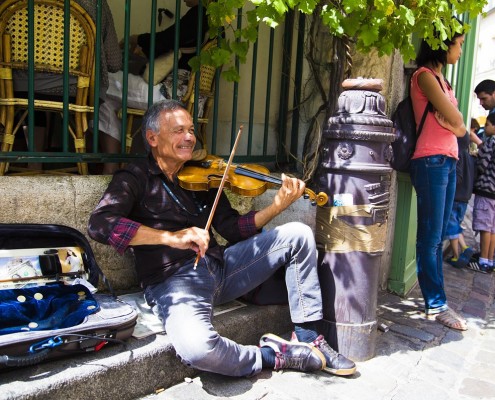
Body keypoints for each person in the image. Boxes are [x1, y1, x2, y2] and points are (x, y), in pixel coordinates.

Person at [88, 99, 357, 377]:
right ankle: (273, 356)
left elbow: (231, 228)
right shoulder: (134, 178)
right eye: (178, 131)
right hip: (174, 282)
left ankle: (308, 336)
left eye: (191, 130)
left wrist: (276, 207)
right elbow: (100, 224)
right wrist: (170, 237)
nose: (190, 137)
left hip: (222, 267)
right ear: (152, 138)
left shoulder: (203, 176)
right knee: (198, 349)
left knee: (297, 234)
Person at [9, 0, 121, 171]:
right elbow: (114, 63)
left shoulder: (13, 2)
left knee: (34, 94)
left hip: (19, 85)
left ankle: (34, 162)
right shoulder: (96, 4)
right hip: (75, 89)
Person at [98, 0, 209, 174]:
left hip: (170, 95)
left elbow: (167, 39)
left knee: (104, 80)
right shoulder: (215, 21)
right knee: (105, 99)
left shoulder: (200, 13)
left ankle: (111, 166)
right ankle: (111, 165)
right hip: (192, 99)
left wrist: (137, 39)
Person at [409, 22, 468, 331]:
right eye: (458, 44)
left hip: (447, 160)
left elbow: (461, 128)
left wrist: (454, 124)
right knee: (430, 238)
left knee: (439, 235)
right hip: (430, 160)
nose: (460, 50)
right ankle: (435, 303)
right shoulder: (424, 76)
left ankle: (439, 300)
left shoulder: (443, 81)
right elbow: (458, 121)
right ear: (443, 46)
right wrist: (453, 124)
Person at [444, 119, 480, 268]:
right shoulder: (471, 158)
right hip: (465, 198)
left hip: (456, 196)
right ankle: (463, 249)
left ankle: (458, 254)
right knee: (456, 224)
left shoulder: (457, 155)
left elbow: (457, 177)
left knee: (452, 227)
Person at [468, 112, 495, 273]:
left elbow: (483, 164)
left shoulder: (491, 141)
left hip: (486, 190)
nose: (486, 128)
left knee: (484, 226)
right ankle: (490, 260)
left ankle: (483, 261)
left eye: (489, 125)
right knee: (492, 229)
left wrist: (477, 153)